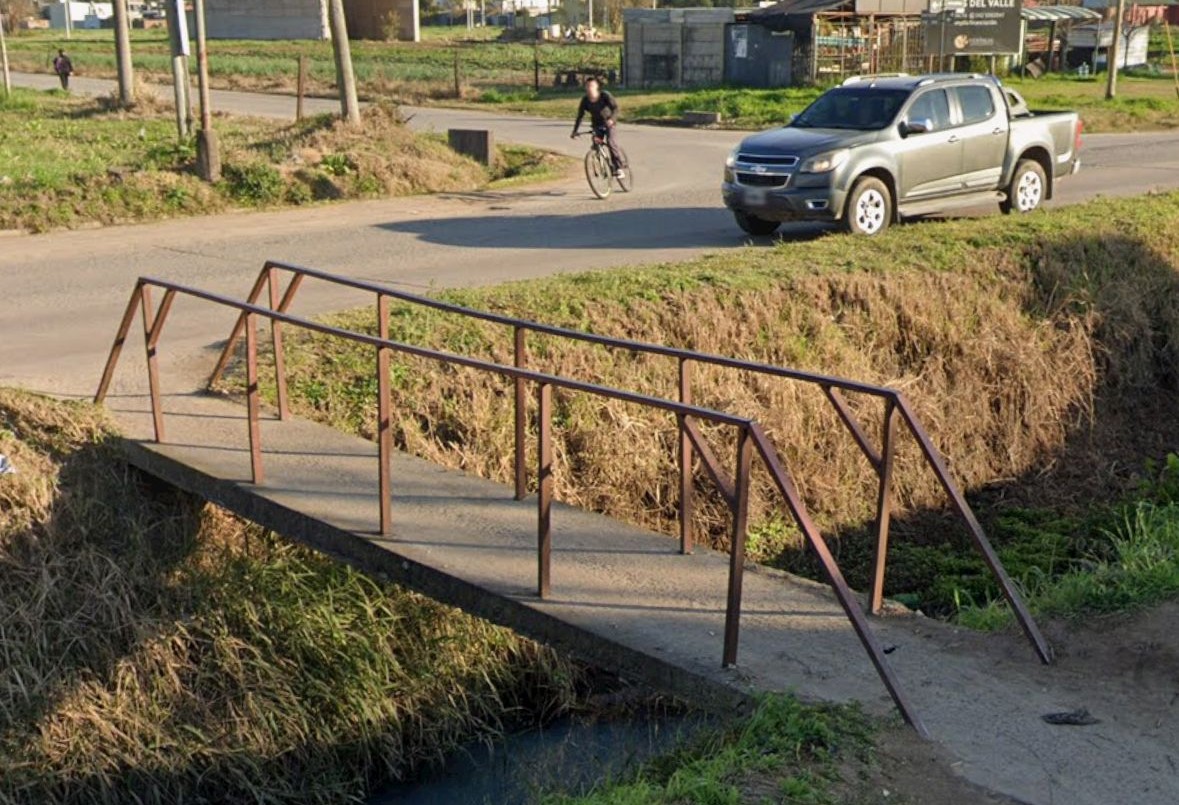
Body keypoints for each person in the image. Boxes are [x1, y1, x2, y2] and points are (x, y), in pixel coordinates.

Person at [571, 77, 626, 179]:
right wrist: (575, 131)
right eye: (587, 86)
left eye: (591, 85)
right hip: (596, 125)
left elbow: (615, 108)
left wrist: (612, 120)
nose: (589, 88)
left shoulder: (604, 95)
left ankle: (619, 168)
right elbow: (580, 116)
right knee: (596, 145)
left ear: (597, 86)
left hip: (609, 123)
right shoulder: (585, 100)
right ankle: (602, 166)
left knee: (610, 142)